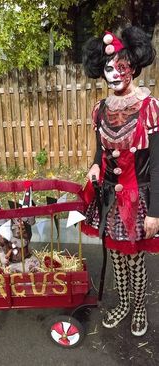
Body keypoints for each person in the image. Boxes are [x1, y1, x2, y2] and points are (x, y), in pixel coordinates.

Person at [82, 26, 159, 336]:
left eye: (121, 67)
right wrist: (94, 167)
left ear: (134, 68)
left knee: (135, 259)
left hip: (138, 198)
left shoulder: (149, 108)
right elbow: (101, 151)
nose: (114, 73)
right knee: (114, 254)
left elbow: (158, 164)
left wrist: (155, 211)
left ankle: (139, 307)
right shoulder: (101, 110)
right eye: (108, 67)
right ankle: (125, 303)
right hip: (110, 199)